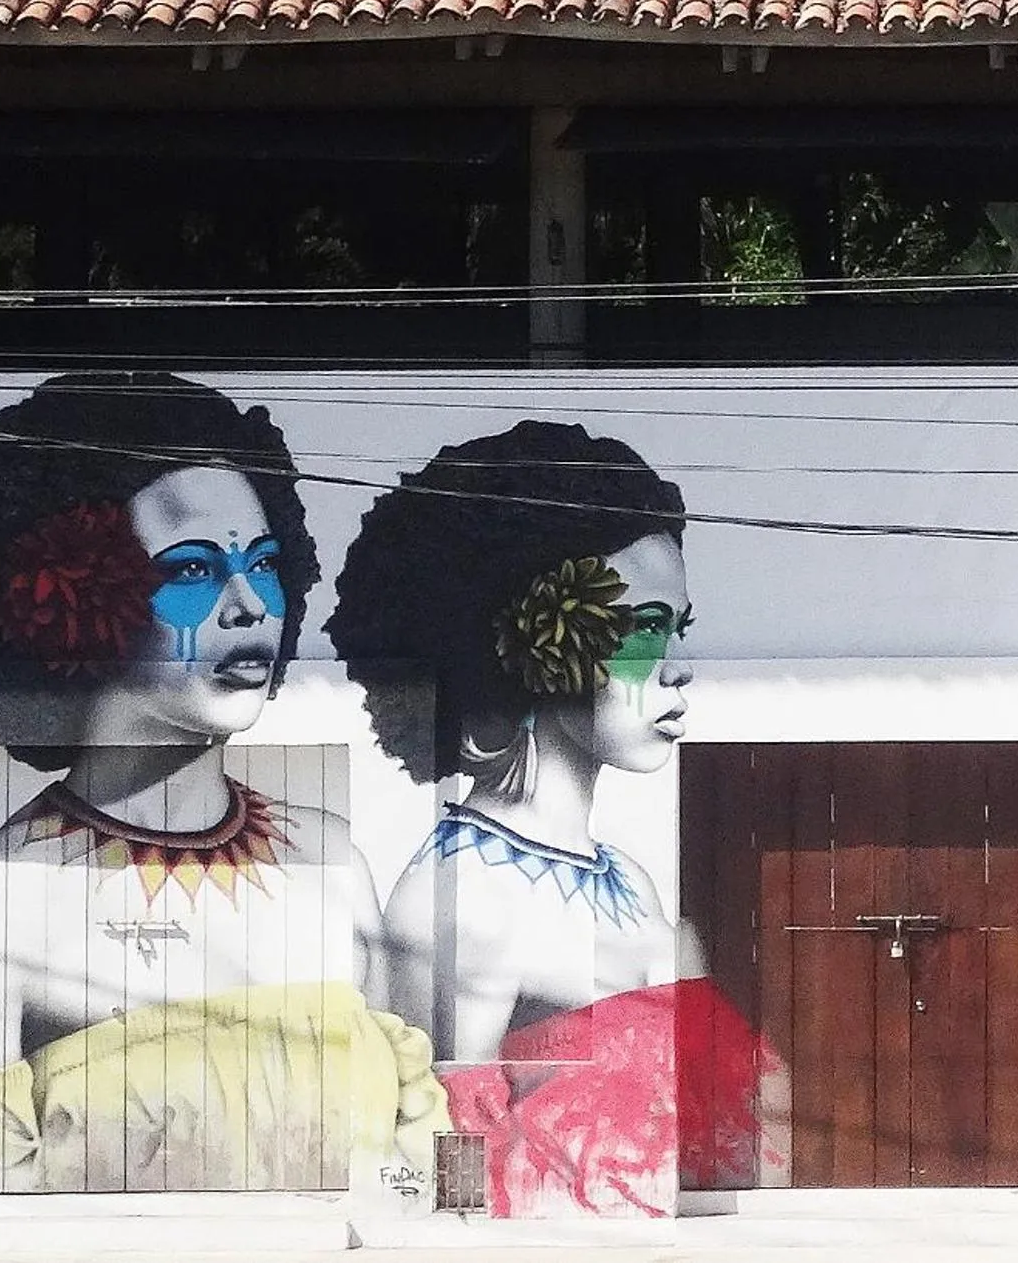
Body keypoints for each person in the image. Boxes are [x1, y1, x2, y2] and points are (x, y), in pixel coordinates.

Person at [0, 372, 443, 1197]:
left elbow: (417, 1153)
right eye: (191, 570)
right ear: (75, 598)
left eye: (264, 565)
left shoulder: (333, 861)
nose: (248, 606)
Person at [326, 420, 766, 1217]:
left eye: (677, 628)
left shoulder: (626, 878)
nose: (678, 668)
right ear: (537, 644)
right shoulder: (456, 897)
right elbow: (442, 1125)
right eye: (642, 628)